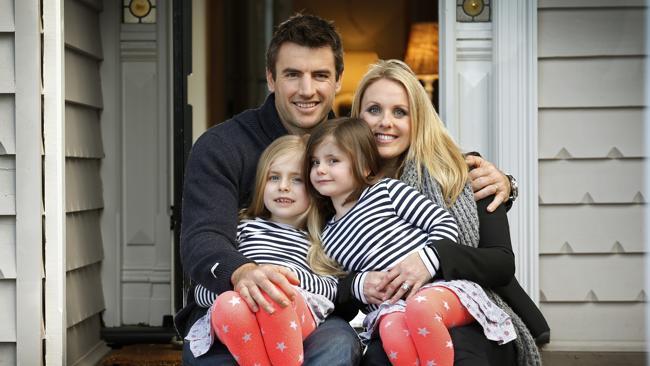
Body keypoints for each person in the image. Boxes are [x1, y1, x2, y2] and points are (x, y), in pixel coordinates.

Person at [176, 12, 514, 365]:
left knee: (340, 347)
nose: (307, 90)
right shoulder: (222, 146)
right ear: (271, 78)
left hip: (317, 307)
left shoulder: (350, 153)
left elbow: (418, 167)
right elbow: (203, 237)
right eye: (293, 74)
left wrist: (505, 182)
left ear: (338, 81)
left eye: (320, 75)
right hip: (234, 299)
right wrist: (241, 272)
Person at [347, 59, 549, 365]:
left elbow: (501, 262)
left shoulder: (462, 171)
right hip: (391, 319)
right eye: (373, 110)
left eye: (400, 112)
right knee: (377, 358)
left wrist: (434, 258)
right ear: (357, 116)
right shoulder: (343, 191)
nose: (384, 122)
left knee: (462, 353)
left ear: (419, 119)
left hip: (472, 312)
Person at [304, 118, 518, 366]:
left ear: (363, 166)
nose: (320, 169)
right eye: (315, 162)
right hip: (391, 309)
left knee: (421, 309)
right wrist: (360, 284)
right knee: (391, 332)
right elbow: (341, 285)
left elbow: (443, 222)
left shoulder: (386, 191)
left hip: (438, 290)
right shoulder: (328, 234)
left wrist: (428, 260)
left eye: (333, 161)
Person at [184, 136, 338, 366]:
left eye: (296, 180)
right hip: (242, 312)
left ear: (315, 189)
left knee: (276, 297)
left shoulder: (319, 239)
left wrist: (285, 278)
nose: (283, 186)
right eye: (274, 177)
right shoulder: (242, 228)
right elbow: (201, 291)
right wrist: (237, 286)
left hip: (292, 310)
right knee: (227, 306)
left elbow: (333, 289)